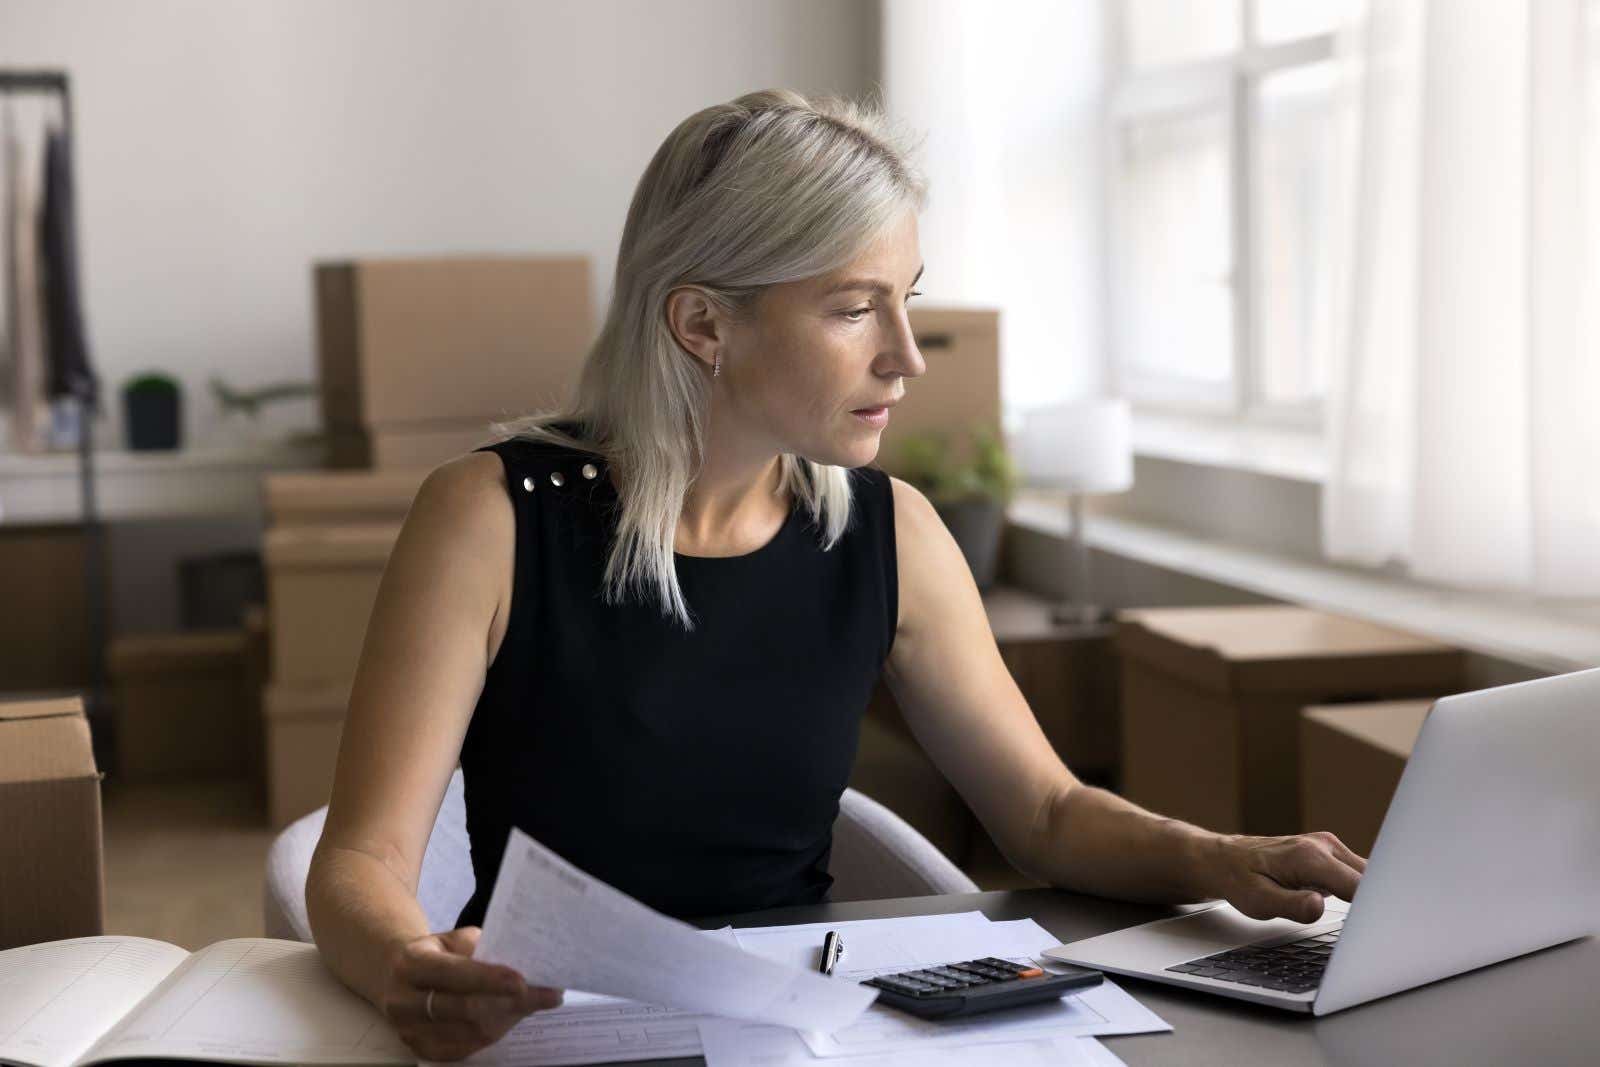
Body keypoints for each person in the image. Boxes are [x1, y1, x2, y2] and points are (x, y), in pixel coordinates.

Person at [305, 89, 1366, 1061]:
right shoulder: (490, 517)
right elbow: (360, 862)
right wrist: (415, 965)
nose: (905, 355)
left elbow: (1043, 811)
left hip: (800, 1037)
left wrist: (1220, 856)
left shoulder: (889, 528)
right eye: (854, 308)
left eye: (905, 299)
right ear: (703, 323)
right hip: (563, 1031)